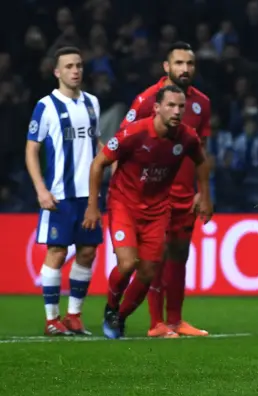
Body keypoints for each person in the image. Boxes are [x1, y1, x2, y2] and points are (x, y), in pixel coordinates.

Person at [82, 85, 213, 339]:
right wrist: (92, 205)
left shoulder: (186, 138)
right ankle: (111, 306)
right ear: (156, 108)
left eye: (181, 107)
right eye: (171, 106)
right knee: (128, 263)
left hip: (157, 210)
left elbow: (202, 161)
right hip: (124, 204)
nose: (177, 111)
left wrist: (204, 195)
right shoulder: (134, 133)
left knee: (148, 271)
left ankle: (120, 318)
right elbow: (99, 163)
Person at [119, 41, 211, 338]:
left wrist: (202, 191)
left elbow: (201, 150)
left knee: (180, 255)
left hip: (186, 194)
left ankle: (176, 320)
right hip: (154, 195)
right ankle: (155, 322)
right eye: (179, 63)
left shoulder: (201, 104)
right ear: (166, 67)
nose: (185, 69)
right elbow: (123, 139)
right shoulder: (148, 100)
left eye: (190, 64)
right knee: (154, 257)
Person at [24, 46, 103, 336]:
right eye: (69, 66)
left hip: (89, 195)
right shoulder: (45, 106)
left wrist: (111, 161)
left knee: (87, 252)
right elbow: (31, 150)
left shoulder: (93, 103)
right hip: (60, 194)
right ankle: (51, 319)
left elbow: (95, 143)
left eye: (79, 65)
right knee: (57, 252)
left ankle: (74, 316)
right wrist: (41, 189)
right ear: (57, 72)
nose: (75, 70)